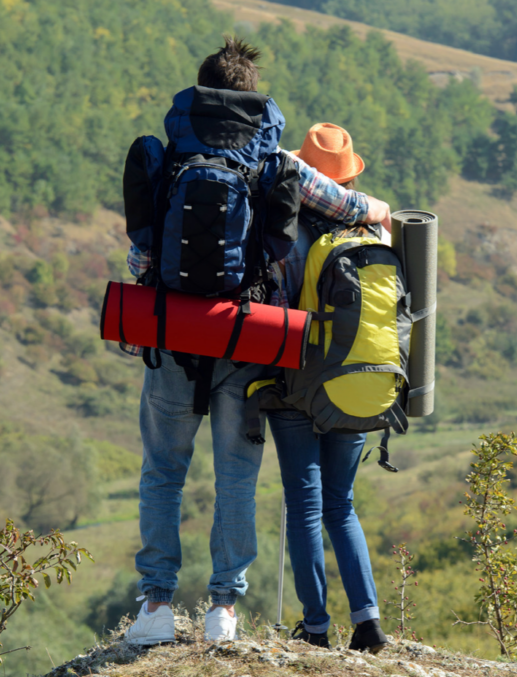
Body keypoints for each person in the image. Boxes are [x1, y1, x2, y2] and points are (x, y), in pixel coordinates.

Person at [123, 38, 391, 646]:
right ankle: (223, 608)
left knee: (162, 473)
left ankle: (156, 605)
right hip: (245, 338)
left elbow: (141, 254)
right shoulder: (273, 162)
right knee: (235, 479)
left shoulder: (169, 156)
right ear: (251, 98)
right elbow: (347, 203)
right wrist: (380, 208)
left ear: (199, 96)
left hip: (171, 335)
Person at [265, 123, 389, 653]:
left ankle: (315, 626)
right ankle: (369, 621)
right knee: (342, 505)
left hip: (295, 384)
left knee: (305, 506)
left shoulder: (285, 232)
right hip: (359, 383)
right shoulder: (375, 235)